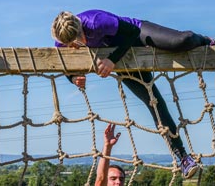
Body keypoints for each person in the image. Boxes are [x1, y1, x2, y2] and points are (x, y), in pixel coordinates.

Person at [51, 9, 214, 179]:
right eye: (67, 43)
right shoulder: (62, 39)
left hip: (136, 34)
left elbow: (132, 31)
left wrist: (111, 60)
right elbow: (65, 64)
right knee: (154, 103)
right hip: (124, 62)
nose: (72, 46)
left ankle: (206, 39)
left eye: (75, 40)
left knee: (182, 40)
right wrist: (73, 78)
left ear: (79, 28)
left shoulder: (96, 21)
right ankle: (183, 159)